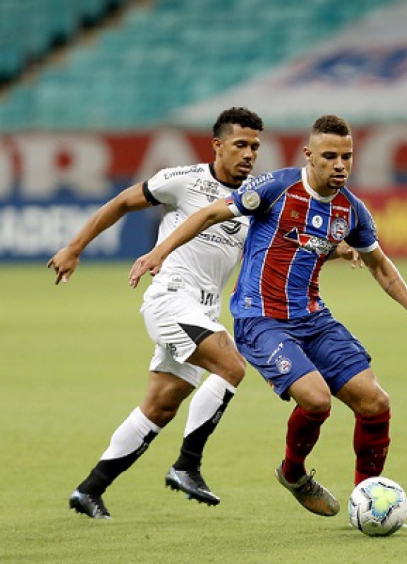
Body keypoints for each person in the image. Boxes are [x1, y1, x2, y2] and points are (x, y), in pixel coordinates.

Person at [129, 114, 407, 518]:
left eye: (347, 156)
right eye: (330, 156)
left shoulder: (352, 210)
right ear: (309, 155)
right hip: (261, 319)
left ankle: (366, 498)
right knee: (316, 399)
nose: (340, 165)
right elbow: (207, 214)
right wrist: (160, 252)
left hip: (313, 318)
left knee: (375, 403)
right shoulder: (275, 188)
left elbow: (379, 264)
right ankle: (293, 474)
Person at [48, 107, 264, 519]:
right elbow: (121, 202)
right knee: (232, 366)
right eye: (240, 145)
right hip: (170, 299)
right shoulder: (184, 180)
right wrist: (75, 247)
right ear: (217, 145)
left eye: (255, 146)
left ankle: (90, 490)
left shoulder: (252, 196)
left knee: (161, 405)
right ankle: (187, 466)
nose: (249, 154)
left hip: (204, 311)